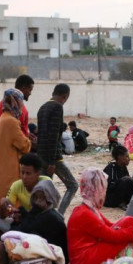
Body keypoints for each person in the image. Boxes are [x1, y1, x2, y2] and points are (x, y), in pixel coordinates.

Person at [0, 89, 32, 241]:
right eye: (21, 103)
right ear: (16, 103)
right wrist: (29, 139)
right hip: (4, 180)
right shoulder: (10, 122)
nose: (22, 107)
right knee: (3, 226)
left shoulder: (3, 119)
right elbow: (25, 145)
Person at [67, 168, 133, 264]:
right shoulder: (84, 213)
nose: (104, 192)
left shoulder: (88, 208)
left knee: (129, 220)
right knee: (123, 240)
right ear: (96, 189)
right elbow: (111, 235)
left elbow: (109, 225)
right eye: (103, 188)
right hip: (83, 260)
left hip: (89, 252)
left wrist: (131, 229)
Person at [37, 83, 79, 215]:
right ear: (65, 96)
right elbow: (53, 136)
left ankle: (45, 217)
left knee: (45, 190)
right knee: (73, 186)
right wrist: (52, 161)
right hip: (53, 157)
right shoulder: (57, 107)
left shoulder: (42, 108)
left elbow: (42, 134)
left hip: (41, 155)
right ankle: (59, 215)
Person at [11, 180, 69, 264]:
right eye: (36, 198)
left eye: (42, 198)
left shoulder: (49, 216)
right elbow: (29, 220)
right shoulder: (41, 211)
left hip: (57, 262)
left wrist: (16, 222)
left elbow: (23, 230)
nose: (38, 202)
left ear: (50, 199)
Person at [0, 74, 35, 140]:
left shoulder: (7, 103)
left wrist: (27, 134)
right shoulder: (12, 107)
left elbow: (21, 128)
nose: (30, 93)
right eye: (30, 90)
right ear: (23, 88)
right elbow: (13, 132)